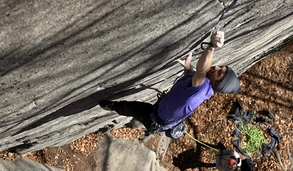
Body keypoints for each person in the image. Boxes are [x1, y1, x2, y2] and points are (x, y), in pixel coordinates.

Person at [99, 31, 241, 138]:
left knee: (130, 107)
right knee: (135, 108)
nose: (216, 67)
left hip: (154, 118)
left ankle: (113, 106)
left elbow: (201, 71)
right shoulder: (202, 86)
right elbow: (195, 79)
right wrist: (187, 70)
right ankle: (119, 108)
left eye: (220, 72)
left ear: (216, 85)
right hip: (160, 111)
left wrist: (212, 47)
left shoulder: (203, 87)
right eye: (221, 66)